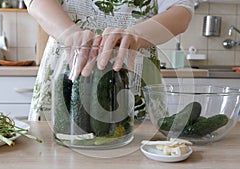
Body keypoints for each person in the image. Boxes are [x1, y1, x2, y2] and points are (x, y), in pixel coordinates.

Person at [24, 0, 194, 121]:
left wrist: (137, 35)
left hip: (134, 75)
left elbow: (181, 11)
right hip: (67, 69)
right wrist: (69, 33)